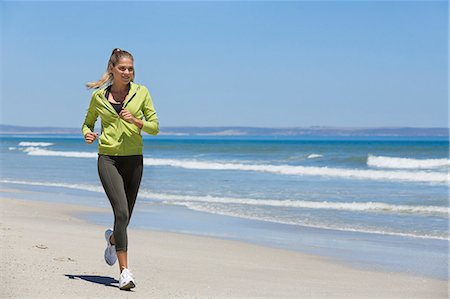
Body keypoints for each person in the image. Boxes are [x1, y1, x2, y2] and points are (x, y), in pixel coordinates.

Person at [82, 48, 159, 290]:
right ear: (112, 70)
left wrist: (137, 121)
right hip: (108, 159)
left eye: (130, 69)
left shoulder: (142, 92)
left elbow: (155, 127)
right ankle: (125, 272)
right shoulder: (99, 97)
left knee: (124, 218)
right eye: (123, 68)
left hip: (134, 159)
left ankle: (113, 239)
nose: (127, 72)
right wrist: (88, 134)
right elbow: (87, 123)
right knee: (122, 214)